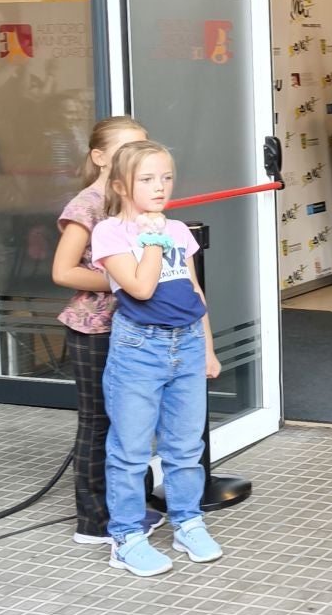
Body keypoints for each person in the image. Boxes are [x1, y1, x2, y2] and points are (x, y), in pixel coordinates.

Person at [89, 140, 224, 577]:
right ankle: (127, 537)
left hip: (184, 344)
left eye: (166, 177)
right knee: (129, 451)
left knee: (186, 447)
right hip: (138, 349)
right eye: (147, 179)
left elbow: (193, 292)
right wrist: (152, 236)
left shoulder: (179, 230)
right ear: (121, 185)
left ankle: (188, 522)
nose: (160, 186)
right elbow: (141, 288)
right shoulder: (109, 232)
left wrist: (207, 347)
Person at [52, 114, 154, 546]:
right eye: (127, 148)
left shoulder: (134, 202)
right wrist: (122, 279)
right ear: (99, 157)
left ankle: (131, 506)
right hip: (95, 330)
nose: (138, 156)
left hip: (134, 326)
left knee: (133, 421)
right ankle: (94, 520)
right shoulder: (87, 204)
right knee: (99, 422)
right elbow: (62, 271)